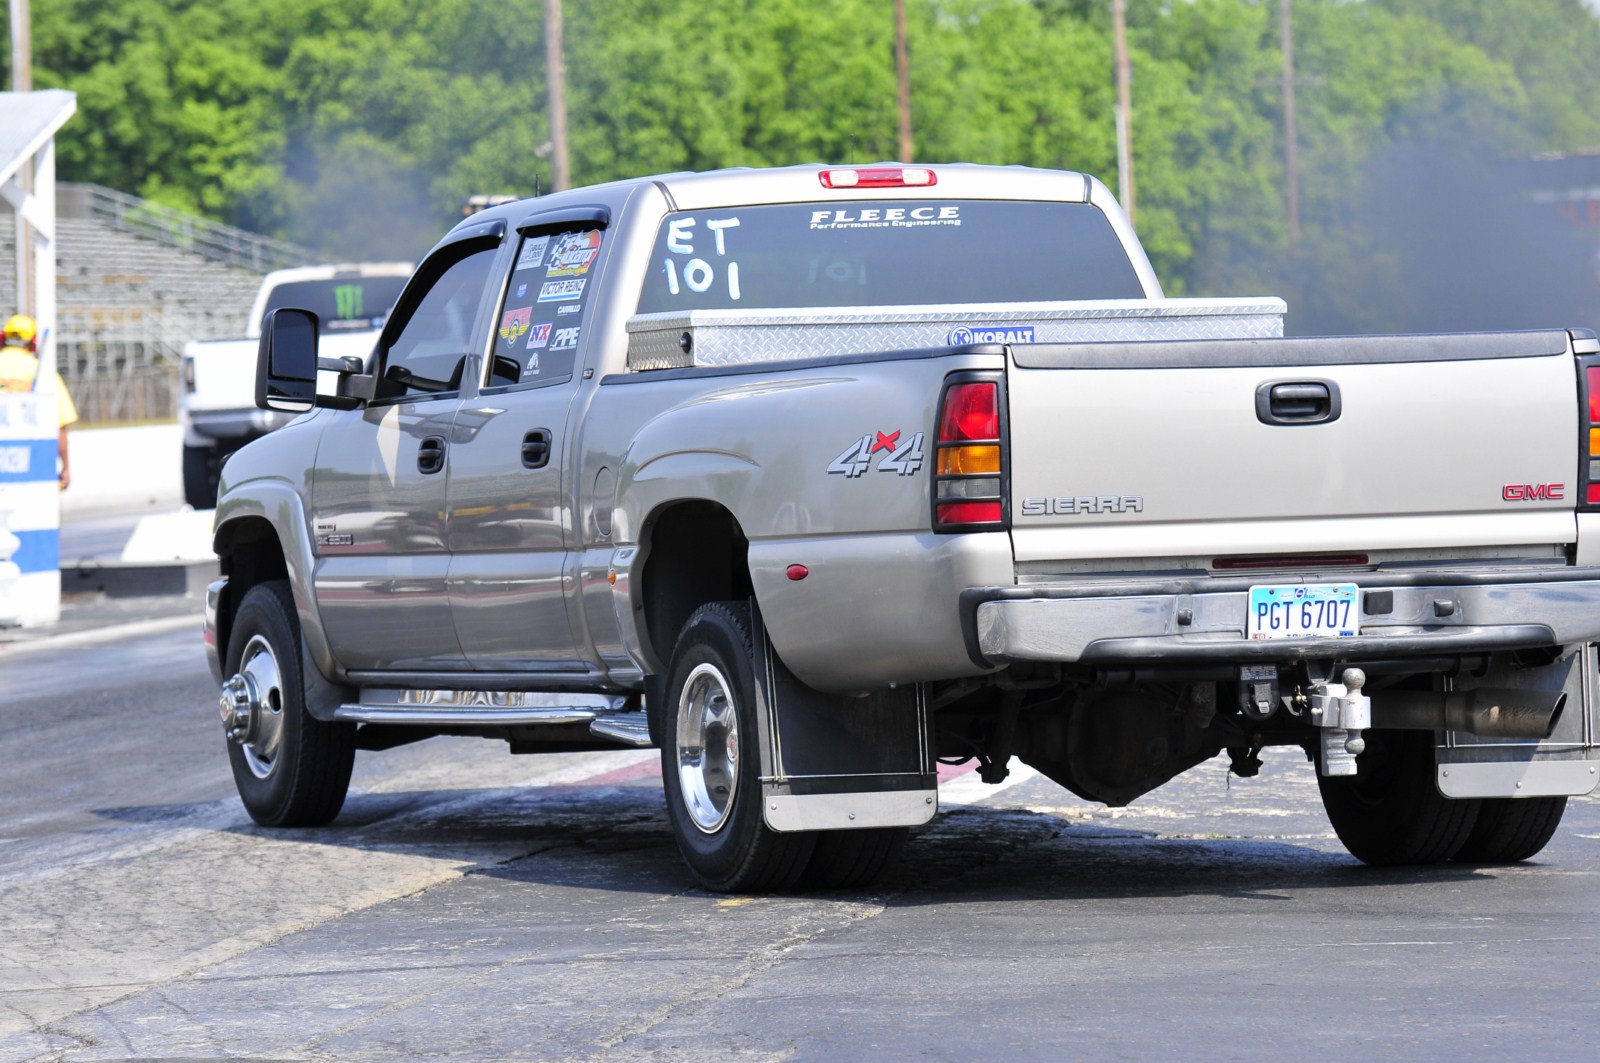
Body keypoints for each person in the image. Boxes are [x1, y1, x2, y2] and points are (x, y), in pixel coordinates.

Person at [1, 313, 78, 489]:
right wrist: (65, 467)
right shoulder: (42, 372)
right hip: (31, 463)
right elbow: (60, 424)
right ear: (33, 341)